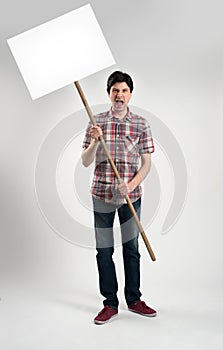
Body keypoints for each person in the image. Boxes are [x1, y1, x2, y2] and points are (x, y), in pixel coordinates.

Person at [82, 71, 157, 324]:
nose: (120, 95)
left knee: (132, 249)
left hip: (131, 198)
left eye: (124, 90)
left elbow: (146, 163)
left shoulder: (141, 124)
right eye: (115, 90)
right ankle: (110, 303)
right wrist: (94, 141)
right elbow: (84, 161)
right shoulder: (96, 122)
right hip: (101, 195)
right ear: (108, 93)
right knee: (104, 251)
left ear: (130, 93)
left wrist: (132, 184)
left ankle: (134, 300)